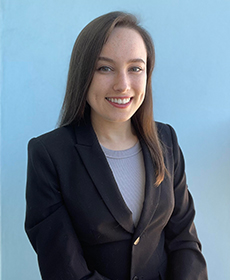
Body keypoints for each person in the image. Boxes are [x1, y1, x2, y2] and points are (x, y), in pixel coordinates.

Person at [25, 11, 208, 280]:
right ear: (83, 74)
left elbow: (184, 239)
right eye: (105, 68)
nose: (123, 85)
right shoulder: (49, 155)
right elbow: (62, 267)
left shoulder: (166, 139)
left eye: (135, 68)